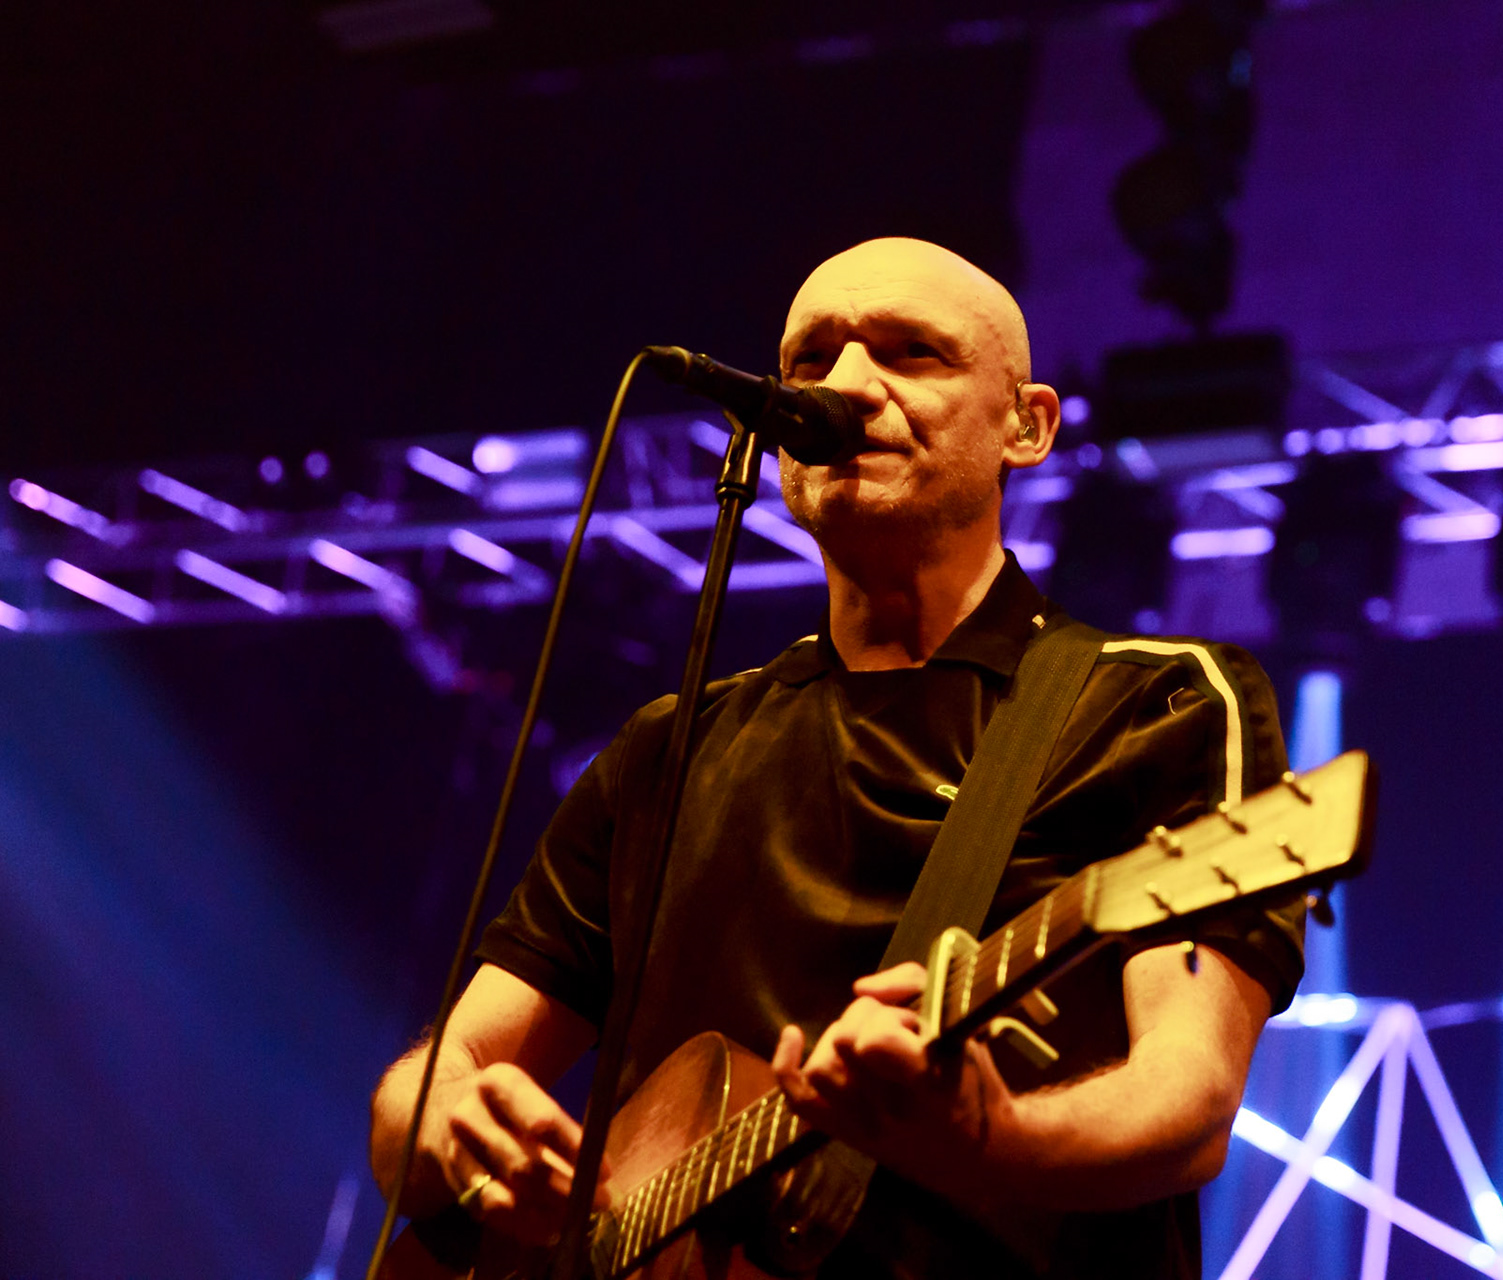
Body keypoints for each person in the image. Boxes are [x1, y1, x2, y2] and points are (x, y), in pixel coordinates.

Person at [369, 237, 1305, 1278]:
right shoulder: (666, 751)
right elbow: (423, 1095)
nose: (850, 387)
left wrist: (988, 1138)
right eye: (812, 361)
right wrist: (456, 1122)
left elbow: (1190, 1105)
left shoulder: (1147, 704)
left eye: (914, 352)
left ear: (1026, 426)